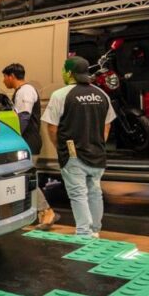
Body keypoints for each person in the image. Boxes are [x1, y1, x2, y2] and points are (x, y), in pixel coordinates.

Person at [41, 56, 116, 239]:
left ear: (69, 73)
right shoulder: (101, 94)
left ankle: (83, 232)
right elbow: (107, 125)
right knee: (95, 192)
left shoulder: (60, 95)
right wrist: (99, 143)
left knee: (78, 194)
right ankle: (95, 230)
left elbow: (52, 127)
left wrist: (59, 147)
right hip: (97, 152)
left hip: (73, 152)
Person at [1, 63, 58, 229]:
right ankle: (35, 213)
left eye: (4, 77)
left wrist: (13, 139)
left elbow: (23, 117)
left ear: (11, 76)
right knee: (23, 178)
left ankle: (46, 211)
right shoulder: (23, 91)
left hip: (28, 142)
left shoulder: (25, 91)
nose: (3, 81)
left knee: (25, 178)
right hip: (28, 142)